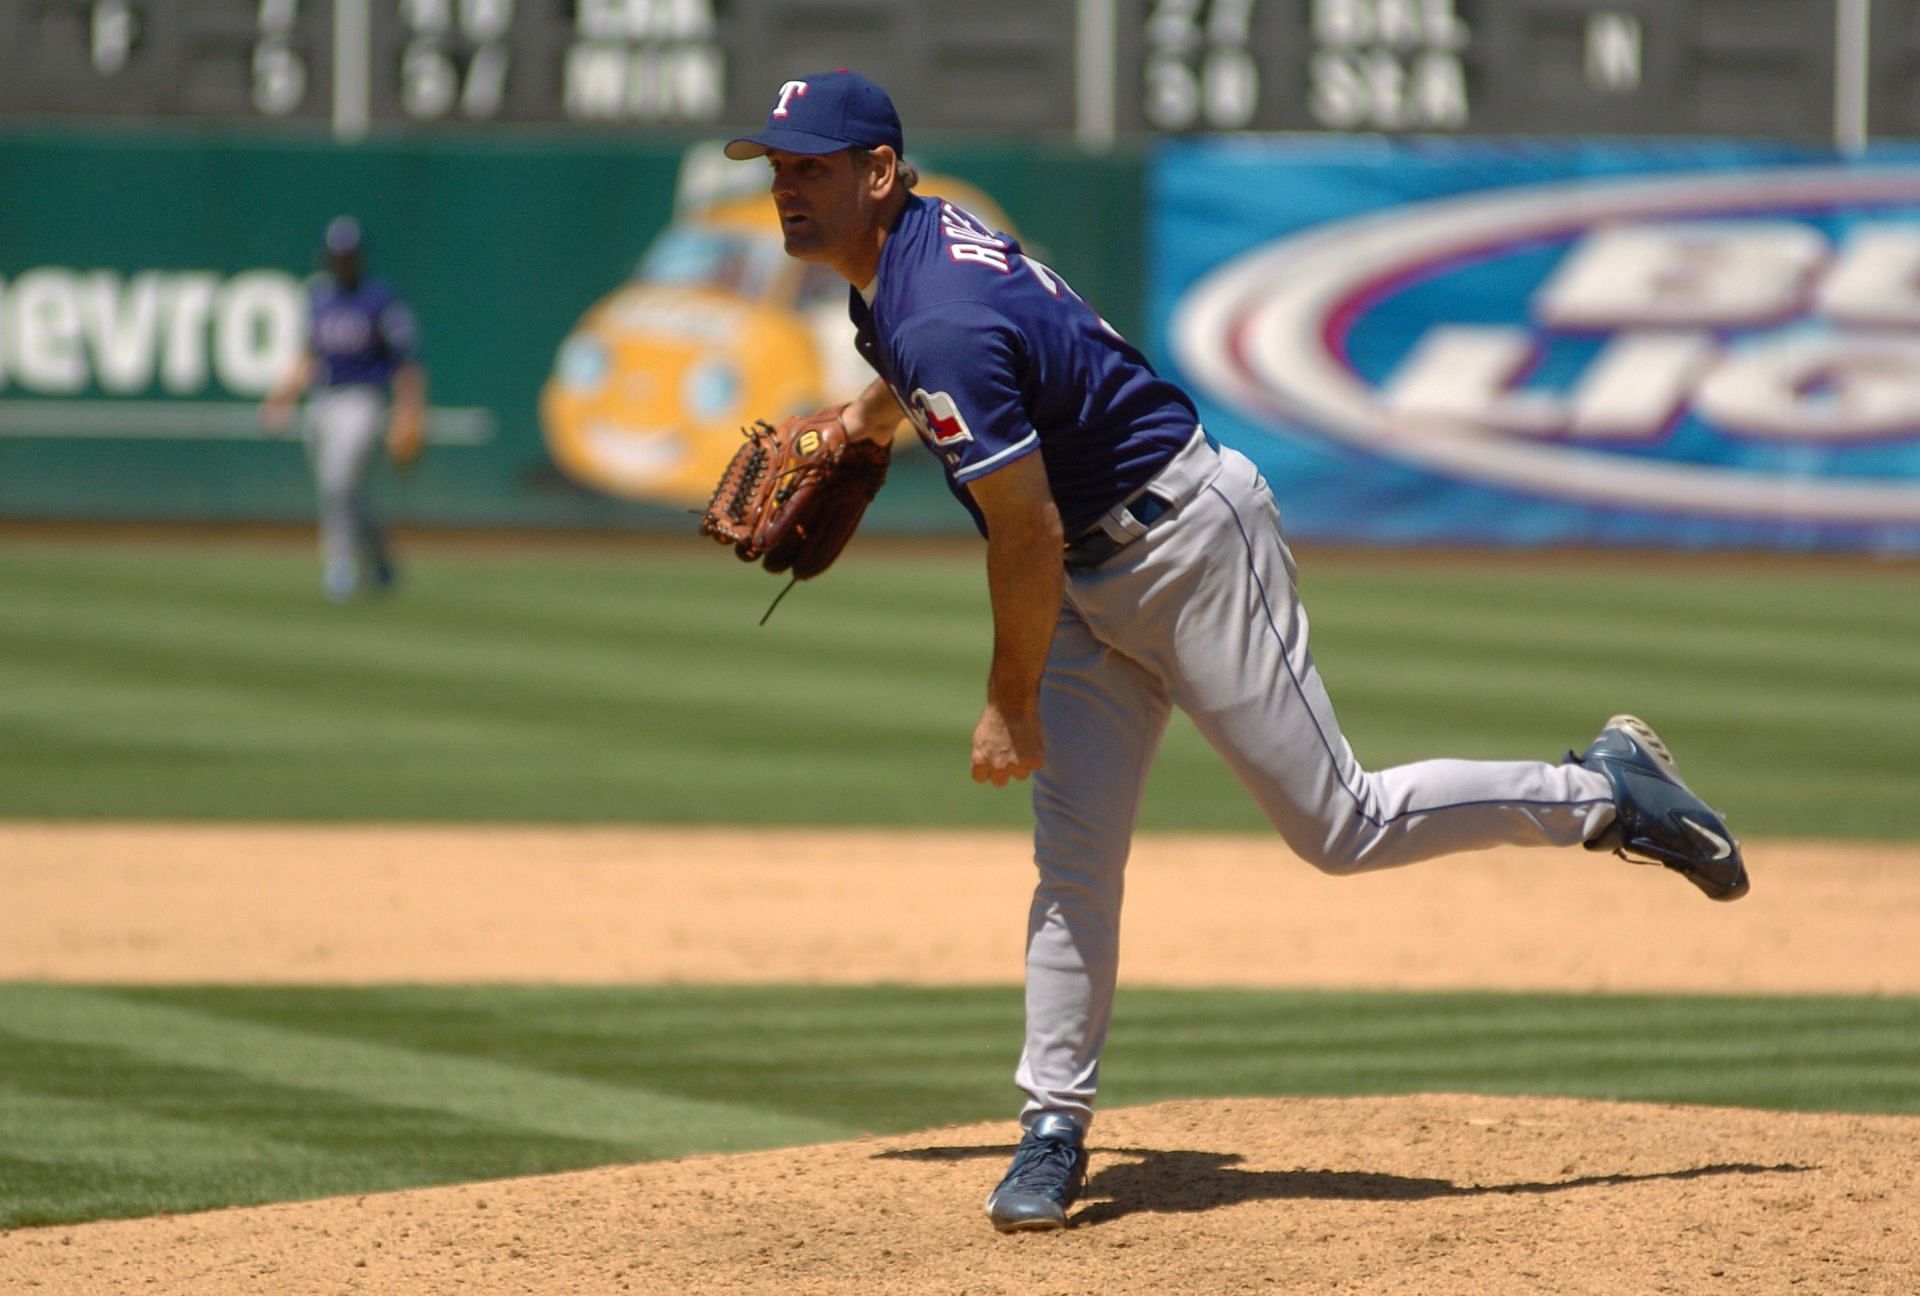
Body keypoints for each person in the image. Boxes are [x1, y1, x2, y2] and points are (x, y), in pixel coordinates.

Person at [724, 70, 1750, 1234]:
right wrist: (864, 418)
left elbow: (1026, 532)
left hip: (1189, 549)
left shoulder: (933, 313)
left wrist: (1010, 705)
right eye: (774, 167)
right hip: (1087, 570)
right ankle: (1051, 1127)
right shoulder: (907, 268)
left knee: (1341, 827)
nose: (785, 189)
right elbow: (998, 362)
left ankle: (1604, 792)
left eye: (810, 166)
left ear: (878, 174)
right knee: (1073, 862)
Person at [261, 216, 427, 602]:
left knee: (337, 484)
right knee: (342, 491)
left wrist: (409, 412)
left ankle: (340, 567)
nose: (342, 262)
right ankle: (381, 554)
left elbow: (407, 361)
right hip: (322, 401)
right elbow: (308, 355)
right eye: (337, 255)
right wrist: (282, 397)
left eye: (348, 255)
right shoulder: (319, 297)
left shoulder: (380, 299)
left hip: (362, 401)